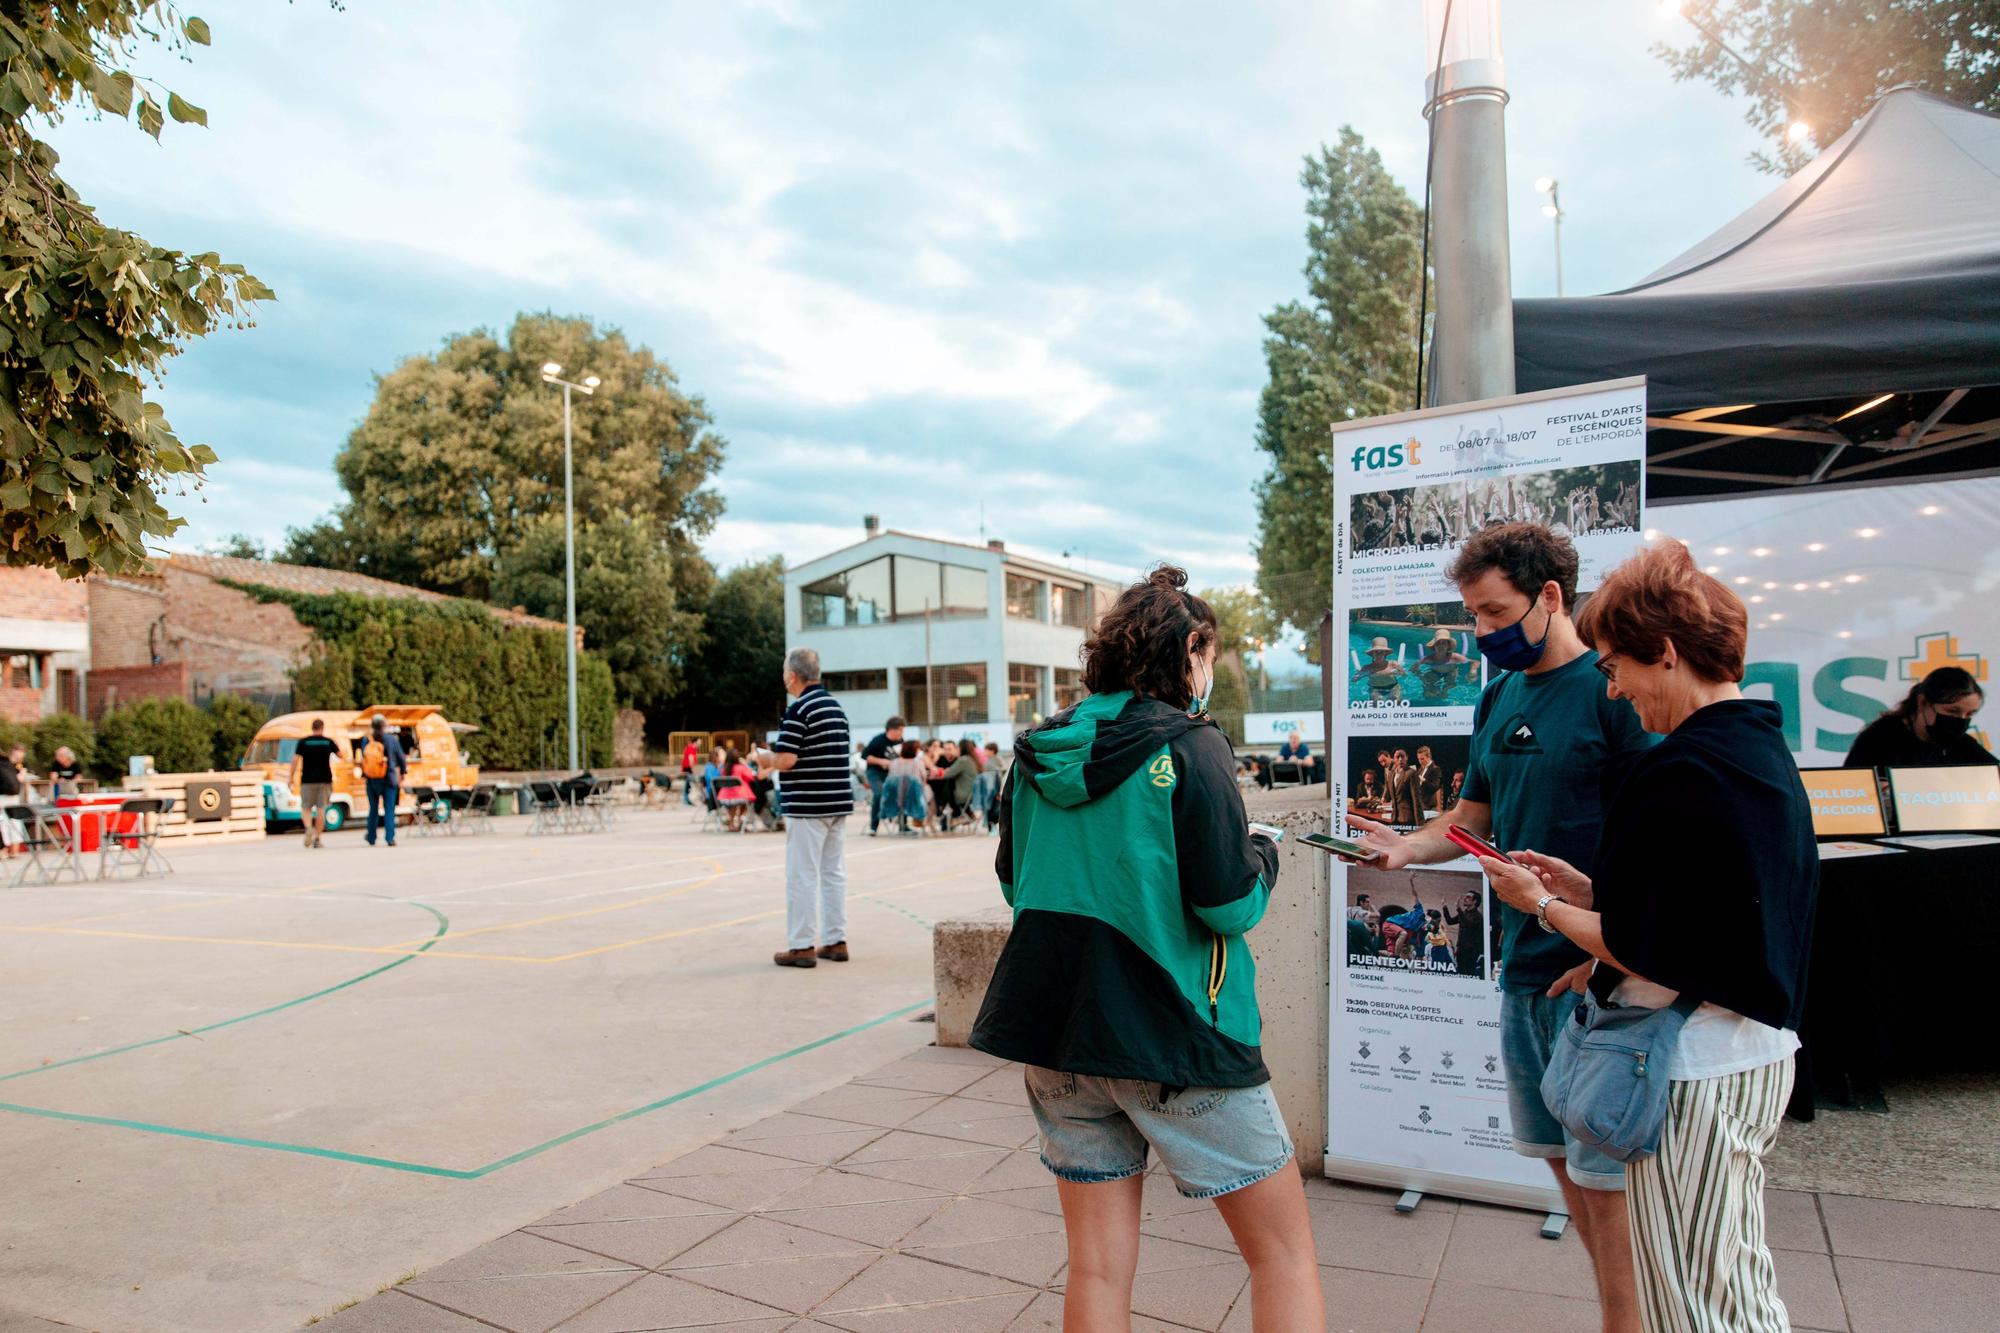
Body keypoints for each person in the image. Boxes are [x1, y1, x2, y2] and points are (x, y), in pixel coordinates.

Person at [971, 566, 1322, 1331]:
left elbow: (1016, 882)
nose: (1208, 675)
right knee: (1283, 1255)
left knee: (1096, 1265)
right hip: (1177, 1037)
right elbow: (1228, 902)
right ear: (1189, 649)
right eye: (1208, 656)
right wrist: (1265, 853)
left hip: (1059, 1037)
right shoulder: (1194, 746)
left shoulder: (1036, 754)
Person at [1478, 540, 1815, 1333]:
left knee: (1691, 1304)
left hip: (1697, 1064)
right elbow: (1707, 908)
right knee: (1733, 1280)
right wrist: (1590, 890)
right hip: (1747, 1053)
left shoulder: (1684, 770)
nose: (1617, 689)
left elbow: (1652, 942)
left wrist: (1542, 904)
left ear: (1665, 653)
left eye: (1616, 667)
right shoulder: (1752, 749)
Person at [1345, 522, 1652, 1333]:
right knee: (1562, 1168)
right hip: (1520, 973)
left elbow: (1655, 840)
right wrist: (1407, 844)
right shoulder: (1499, 694)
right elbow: (1472, 816)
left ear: (1551, 596)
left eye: (1493, 612)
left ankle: (1630, 1319)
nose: (1481, 633)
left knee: (1611, 1190)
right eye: (1473, 617)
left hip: (1592, 979)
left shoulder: (1612, 691)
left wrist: (1610, 950)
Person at [759, 648, 853, 968]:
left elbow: (786, 759)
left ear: (792, 675)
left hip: (807, 805)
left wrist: (764, 760)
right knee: (833, 874)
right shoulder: (836, 709)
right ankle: (835, 940)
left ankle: (801, 945)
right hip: (837, 803)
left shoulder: (799, 710)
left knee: (802, 876)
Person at [1843, 666, 1991, 769]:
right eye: (1952, 711)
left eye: (1969, 714)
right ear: (1922, 702)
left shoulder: (1959, 742)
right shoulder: (1879, 738)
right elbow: (1852, 790)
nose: (1961, 719)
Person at [288, 719, 342, 849]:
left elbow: (295, 760)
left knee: (306, 807)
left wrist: (290, 777)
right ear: (322, 728)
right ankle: (317, 839)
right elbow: (341, 755)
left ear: (312, 728)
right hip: (324, 781)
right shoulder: (327, 742)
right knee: (321, 809)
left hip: (307, 780)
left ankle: (308, 828)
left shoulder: (304, 742)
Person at [356, 715, 407, 848]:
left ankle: (371, 837)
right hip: (389, 778)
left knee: (373, 809)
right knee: (389, 809)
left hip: (372, 779)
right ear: (384, 726)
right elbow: (401, 758)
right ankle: (390, 838)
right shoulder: (392, 740)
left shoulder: (366, 740)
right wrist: (402, 773)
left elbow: (364, 758)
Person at [861, 716, 905, 837]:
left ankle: (903, 825)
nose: (902, 733)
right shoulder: (878, 740)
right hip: (875, 772)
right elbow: (865, 756)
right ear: (892, 729)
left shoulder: (900, 741)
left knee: (903, 790)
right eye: (900, 730)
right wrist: (882, 762)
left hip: (892, 773)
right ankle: (873, 826)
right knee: (879, 793)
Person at [933, 740, 980, 832]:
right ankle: (964, 815)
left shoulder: (963, 760)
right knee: (948, 785)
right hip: (971, 793)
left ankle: (945, 812)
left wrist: (937, 771)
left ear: (962, 749)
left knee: (945, 787)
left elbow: (948, 774)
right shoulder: (971, 759)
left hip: (964, 795)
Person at [885, 740, 927, 835]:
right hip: (914, 797)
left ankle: (903, 824)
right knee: (930, 794)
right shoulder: (918, 763)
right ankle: (924, 820)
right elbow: (923, 779)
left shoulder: (893, 763)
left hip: (895, 797)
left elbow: (890, 779)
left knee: (903, 794)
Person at [1352, 636, 1410, 703]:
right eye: (1376, 652)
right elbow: (1354, 680)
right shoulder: (1367, 668)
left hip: (1393, 687)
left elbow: (1405, 675)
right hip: (1375, 689)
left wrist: (1399, 672)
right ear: (1372, 654)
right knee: (1376, 703)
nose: (1378, 655)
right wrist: (1358, 676)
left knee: (1395, 701)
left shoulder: (1393, 665)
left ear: (1385, 653)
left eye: (1381, 652)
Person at [1443, 890, 1484, 977]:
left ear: (1475, 901)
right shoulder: (1465, 913)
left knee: (1468, 973)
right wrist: (1444, 907)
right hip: (1461, 948)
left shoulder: (1477, 916)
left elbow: (1469, 925)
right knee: (1460, 972)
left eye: (1468, 897)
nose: (1465, 899)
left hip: (1470, 950)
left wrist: (1458, 909)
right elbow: (1450, 921)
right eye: (1465, 897)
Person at [1413, 745, 1444, 816]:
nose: (1420, 761)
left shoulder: (1436, 769)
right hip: (1420, 804)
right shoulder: (1421, 769)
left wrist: (1423, 780)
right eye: (1418, 759)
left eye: (1422, 759)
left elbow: (1435, 787)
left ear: (1429, 757)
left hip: (1429, 806)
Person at [680, 737, 699, 805]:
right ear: (695, 742)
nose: (700, 743)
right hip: (687, 769)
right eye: (699, 741)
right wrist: (692, 769)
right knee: (688, 784)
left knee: (687, 784)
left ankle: (686, 799)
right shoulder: (691, 748)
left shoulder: (690, 747)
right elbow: (690, 758)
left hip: (687, 768)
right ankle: (686, 800)